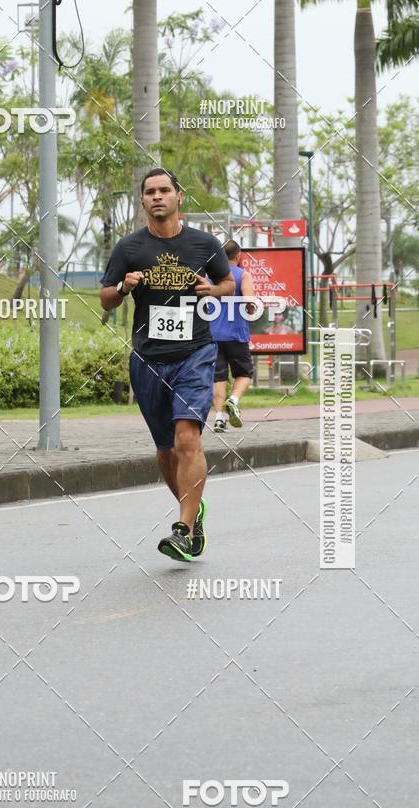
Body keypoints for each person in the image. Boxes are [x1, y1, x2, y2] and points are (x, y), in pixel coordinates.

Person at [99, 167, 235, 561]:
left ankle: (184, 528)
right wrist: (124, 286)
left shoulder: (203, 243)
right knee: (164, 451)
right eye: (150, 192)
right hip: (147, 359)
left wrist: (212, 288)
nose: (157, 196)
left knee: (186, 440)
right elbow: (106, 297)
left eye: (164, 190)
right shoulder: (129, 248)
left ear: (179, 197)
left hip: (195, 354)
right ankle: (193, 512)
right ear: (142, 201)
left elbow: (227, 284)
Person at [210, 240, 255, 431]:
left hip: (212, 335)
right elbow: (249, 300)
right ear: (238, 256)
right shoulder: (243, 275)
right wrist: (250, 307)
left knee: (218, 378)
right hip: (236, 334)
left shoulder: (209, 277)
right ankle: (233, 399)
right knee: (244, 373)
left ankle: (219, 418)